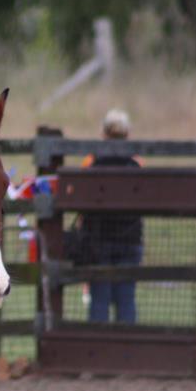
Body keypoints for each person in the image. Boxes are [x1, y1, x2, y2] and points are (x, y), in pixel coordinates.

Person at [81, 109, 143, 324]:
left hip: (98, 242)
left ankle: (97, 341)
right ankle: (127, 342)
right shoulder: (136, 165)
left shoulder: (92, 164)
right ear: (128, 134)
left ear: (103, 133)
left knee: (99, 300)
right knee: (126, 300)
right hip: (130, 242)